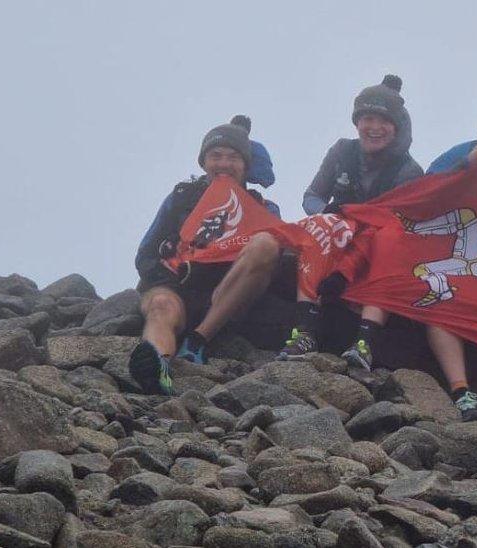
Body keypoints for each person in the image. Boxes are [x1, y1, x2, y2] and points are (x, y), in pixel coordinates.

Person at [342, 87, 477, 421]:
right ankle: (462, 392)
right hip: (454, 254)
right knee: (441, 297)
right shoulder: (464, 152)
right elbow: (422, 190)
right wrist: (467, 166)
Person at [130, 120, 292, 395]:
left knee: (267, 243)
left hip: (227, 293)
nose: (224, 164)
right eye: (216, 156)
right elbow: (146, 253)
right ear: (204, 161)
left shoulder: (263, 208)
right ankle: (158, 368)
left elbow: (277, 260)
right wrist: (167, 275)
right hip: (176, 286)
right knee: (160, 305)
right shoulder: (181, 198)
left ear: (246, 165)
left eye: (233, 157)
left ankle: (197, 341)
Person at [282, 75, 423, 359]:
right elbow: (312, 195)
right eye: (367, 119)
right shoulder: (342, 151)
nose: (374, 128)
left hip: (375, 242)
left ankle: (365, 343)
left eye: (384, 121)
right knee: (319, 227)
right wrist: (327, 213)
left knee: (390, 243)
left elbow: (403, 223)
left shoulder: (409, 171)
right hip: (335, 233)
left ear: (396, 128)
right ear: (357, 122)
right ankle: (304, 331)